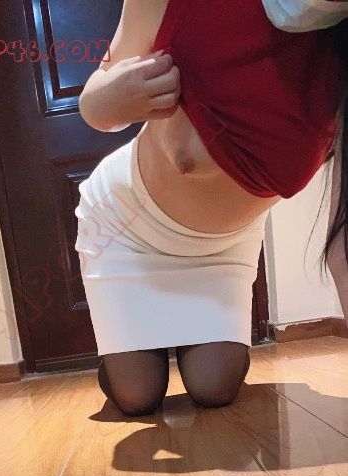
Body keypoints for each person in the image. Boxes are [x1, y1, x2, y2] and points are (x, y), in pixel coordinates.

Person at [75, 0, 348, 416]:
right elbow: (97, 91)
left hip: (224, 248)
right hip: (125, 226)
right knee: (136, 396)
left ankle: (161, 340)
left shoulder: (336, 44)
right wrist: (102, 103)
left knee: (214, 388)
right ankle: (127, 349)